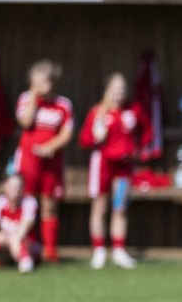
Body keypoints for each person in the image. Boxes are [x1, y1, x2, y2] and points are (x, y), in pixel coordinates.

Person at [79, 73, 150, 269]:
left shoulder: (132, 111)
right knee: (99, 207)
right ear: (107, 90)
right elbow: (84, 139)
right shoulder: (98, 112)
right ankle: (99, 250)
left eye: (123, 90)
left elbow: (147, 130)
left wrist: (139, 150)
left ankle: (119, 249)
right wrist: (96, 138)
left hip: (124, 168)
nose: (119, 94)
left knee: (120, 207)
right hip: (102, 165)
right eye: (115, 90)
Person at [14, 60, 72, 263]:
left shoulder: (62, 104)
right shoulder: (25, 99)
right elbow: (25, 122)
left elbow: (67, 133)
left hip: (51, 163)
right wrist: (34, 97)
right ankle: (28, 247)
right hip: (28, 162)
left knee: (49, 205)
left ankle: (50, 250)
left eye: (44, 81)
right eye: (36, 81)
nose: (41, 85)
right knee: (28, 204)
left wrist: (51, 147)